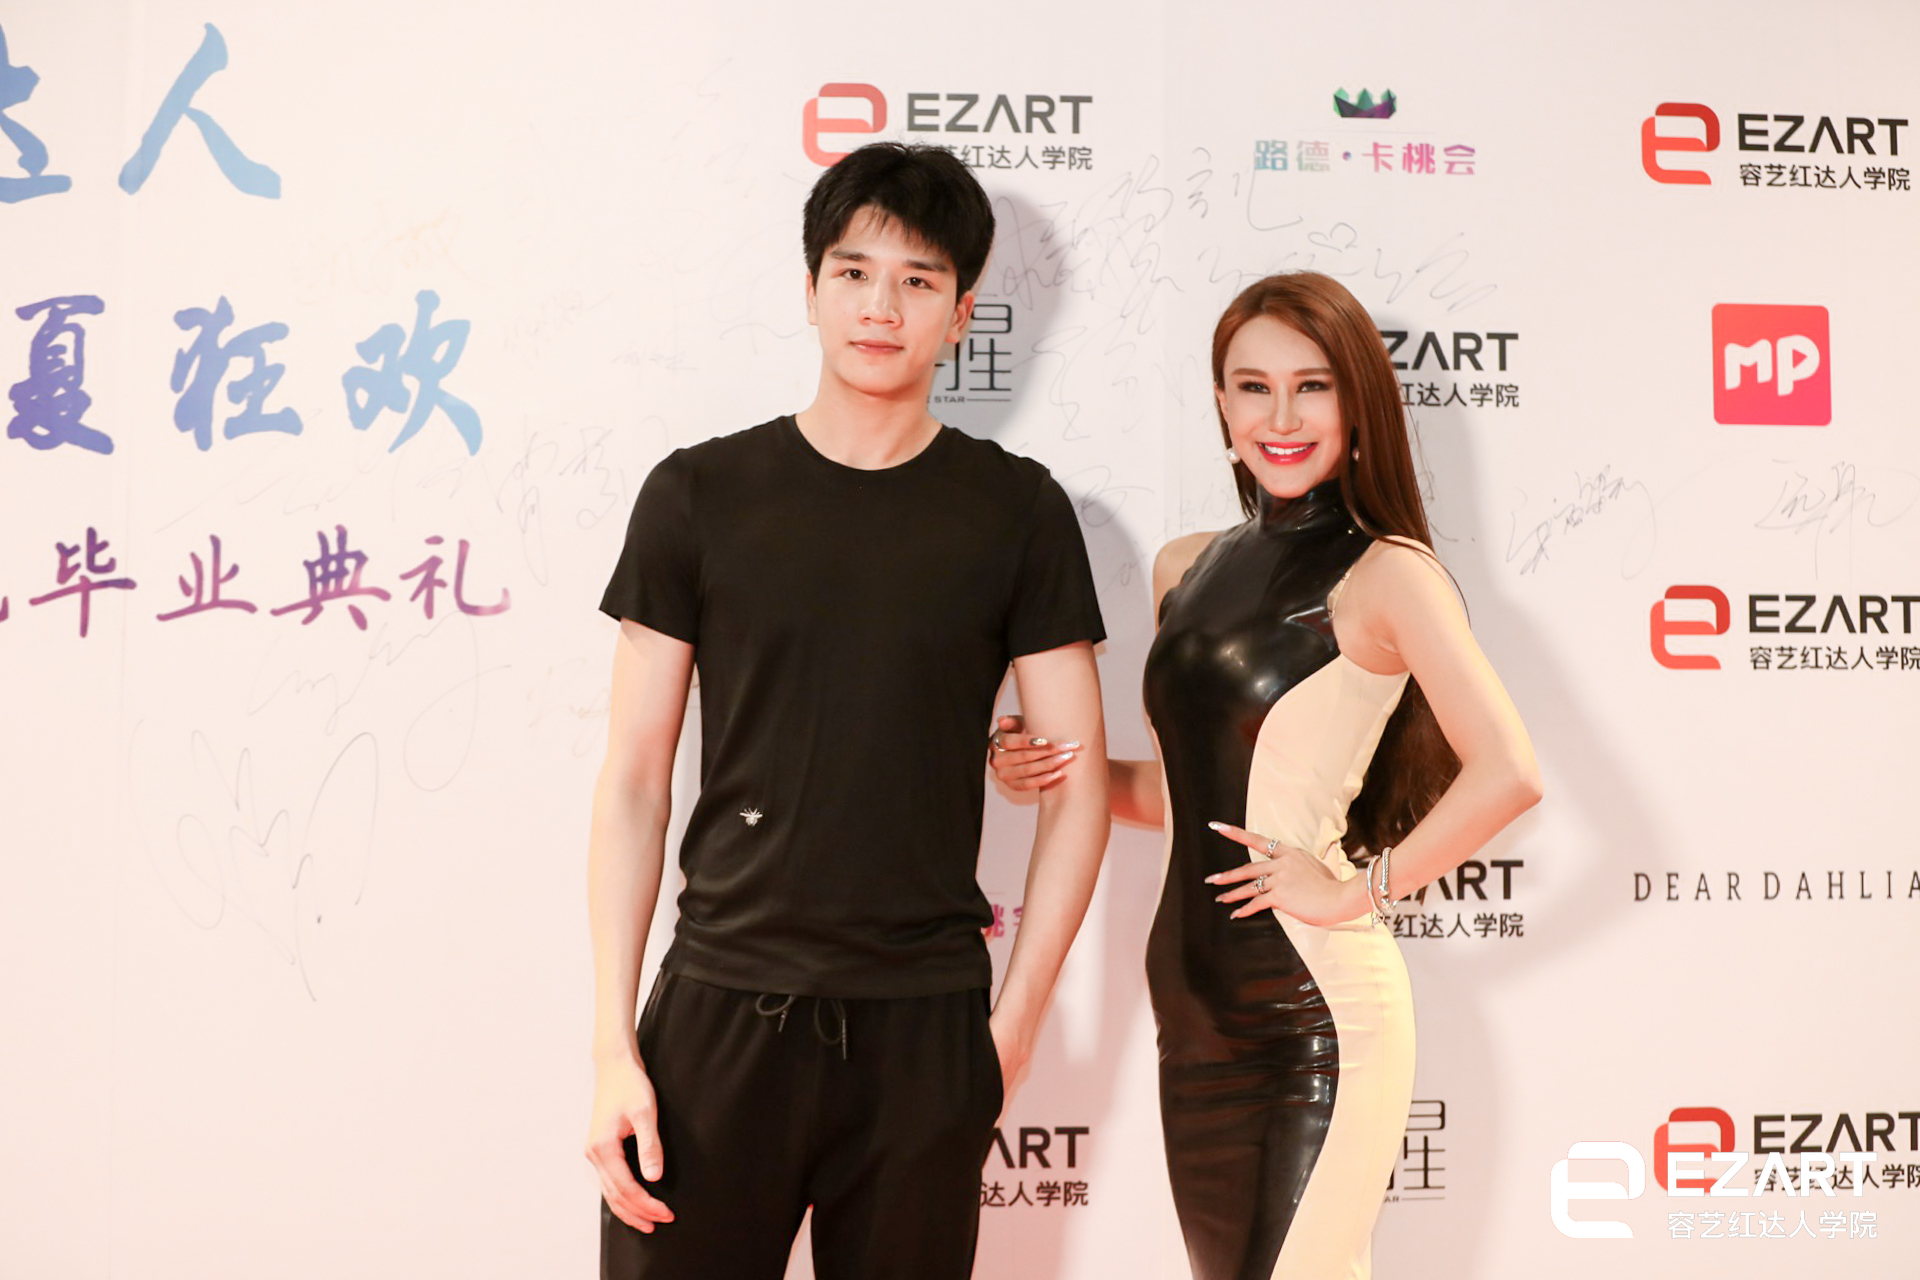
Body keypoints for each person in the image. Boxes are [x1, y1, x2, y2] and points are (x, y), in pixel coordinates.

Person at [585, 141, 1111, 1280]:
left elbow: (1078, 788)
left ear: (961, 312)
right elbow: (632, 780)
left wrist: (1012, 1029)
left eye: (918, 280)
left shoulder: (1017, 512)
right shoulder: (698, 495)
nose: (881, 307)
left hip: (924, 1030)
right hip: (719, 1012)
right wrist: (612, 1045)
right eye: (854, 272)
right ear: (812, 288)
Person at [991, 271, 1541, 1279]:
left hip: (1313, 1014)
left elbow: (1509, 772)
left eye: (1311, 387)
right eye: (1254, 387)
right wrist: (1054, 768)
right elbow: (1183, 798)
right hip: (1191, 1013)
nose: (1280, 418)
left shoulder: (1389, 573)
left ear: (1357, 403)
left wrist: (1358, 887)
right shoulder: (1185, 567)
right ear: (1222, 402)